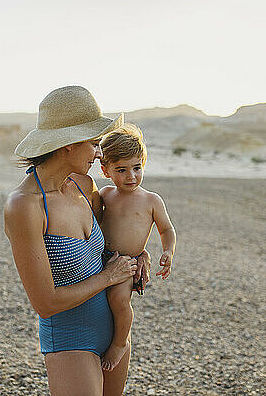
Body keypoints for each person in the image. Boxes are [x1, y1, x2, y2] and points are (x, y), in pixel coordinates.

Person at [4, 86, 150, 396]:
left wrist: (140, 254)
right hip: (71, 338)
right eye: (95, 144)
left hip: (114, 335)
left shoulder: (85, 185)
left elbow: (108, 242)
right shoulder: (25, 205)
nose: (99, 153)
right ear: (69, 144)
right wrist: (108, 277)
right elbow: (45, 303)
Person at [96, 123, 177, 371]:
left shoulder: (151, 200)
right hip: (101, 259)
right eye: (121, 169)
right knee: (99, 301)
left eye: (137, 168)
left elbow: (167, 229)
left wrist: (167, 251)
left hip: (128, 262)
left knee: (119, 300)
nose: (131, 176)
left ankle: (120, 343)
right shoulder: (105, 195)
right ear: (106, 170)